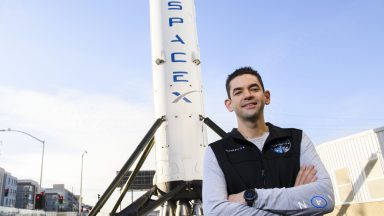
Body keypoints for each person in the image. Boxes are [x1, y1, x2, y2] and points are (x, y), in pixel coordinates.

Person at [202, 67, 335, 215]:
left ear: (266, 97)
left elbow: (325, 197)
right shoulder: (216, 151)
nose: (247, 95)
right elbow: (215, 211)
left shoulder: (297, 138)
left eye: (253, 89)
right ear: (229, 104)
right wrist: (297, 203)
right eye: (238, 92)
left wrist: (251, 197)